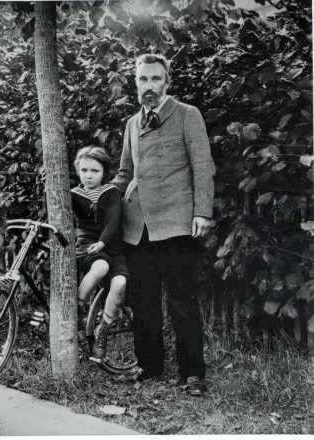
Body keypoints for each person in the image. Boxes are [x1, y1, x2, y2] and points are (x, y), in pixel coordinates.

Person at [112, 53, 215, 395]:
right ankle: (149, 364)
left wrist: (202, 211)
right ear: (136, 83)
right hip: (137, 226)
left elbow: (203, 166)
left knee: (182, 301)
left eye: (156, 79)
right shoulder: (131, 123)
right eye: (143, 79)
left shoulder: (187, 115)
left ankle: (193, 373)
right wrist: (98, 196)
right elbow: (125, 173)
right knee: (142, 300)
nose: (149, 86)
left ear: (167, 81)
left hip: (175, 224)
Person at [71, 146, 129, 360]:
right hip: (87, 245)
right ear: (78, 170)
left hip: (111, 245)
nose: (89, 175)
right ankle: (77, 309)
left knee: (120, 282)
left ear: (104, 172)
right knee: (100, 266)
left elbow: (113, 221)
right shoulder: (74, 194)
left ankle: (102, 331)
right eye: (84, 170)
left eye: (95, 171)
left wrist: (103, 243)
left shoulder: (111, 192)